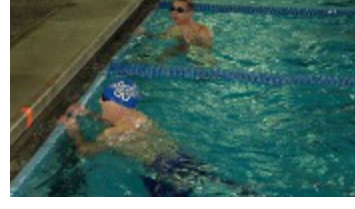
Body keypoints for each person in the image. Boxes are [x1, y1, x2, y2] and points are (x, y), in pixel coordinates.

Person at [58, 79, 251, 196]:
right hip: (181, 157)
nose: (100, 101)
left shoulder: (112, 135)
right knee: (221, 185)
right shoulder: (140, 117)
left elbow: (85, 151)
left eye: (105, 98)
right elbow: (117, 119)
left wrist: (74, 130)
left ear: (117, 105)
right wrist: (87, 113)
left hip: (163, 174)